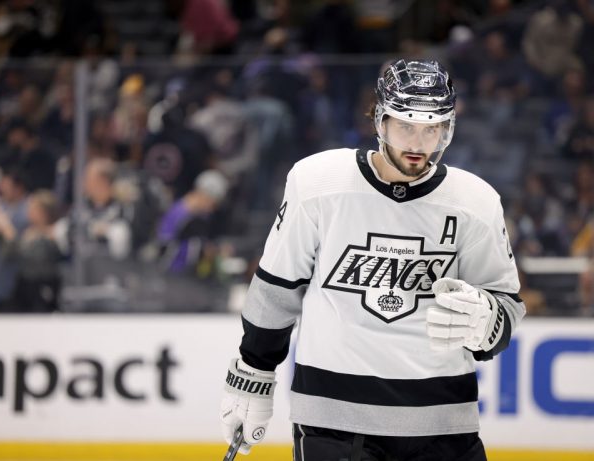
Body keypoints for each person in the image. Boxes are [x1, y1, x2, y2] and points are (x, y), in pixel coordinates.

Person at [220, 59, 526, 461]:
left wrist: (488, 321)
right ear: (380, 121)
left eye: (431, 128)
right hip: (334, 426)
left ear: (447, 129)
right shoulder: (317, 184)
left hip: (444, 427)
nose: (418, 143)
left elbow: (506, 302)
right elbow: (277, 288)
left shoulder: (475, 201)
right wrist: (253, 374)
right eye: (406, 125)